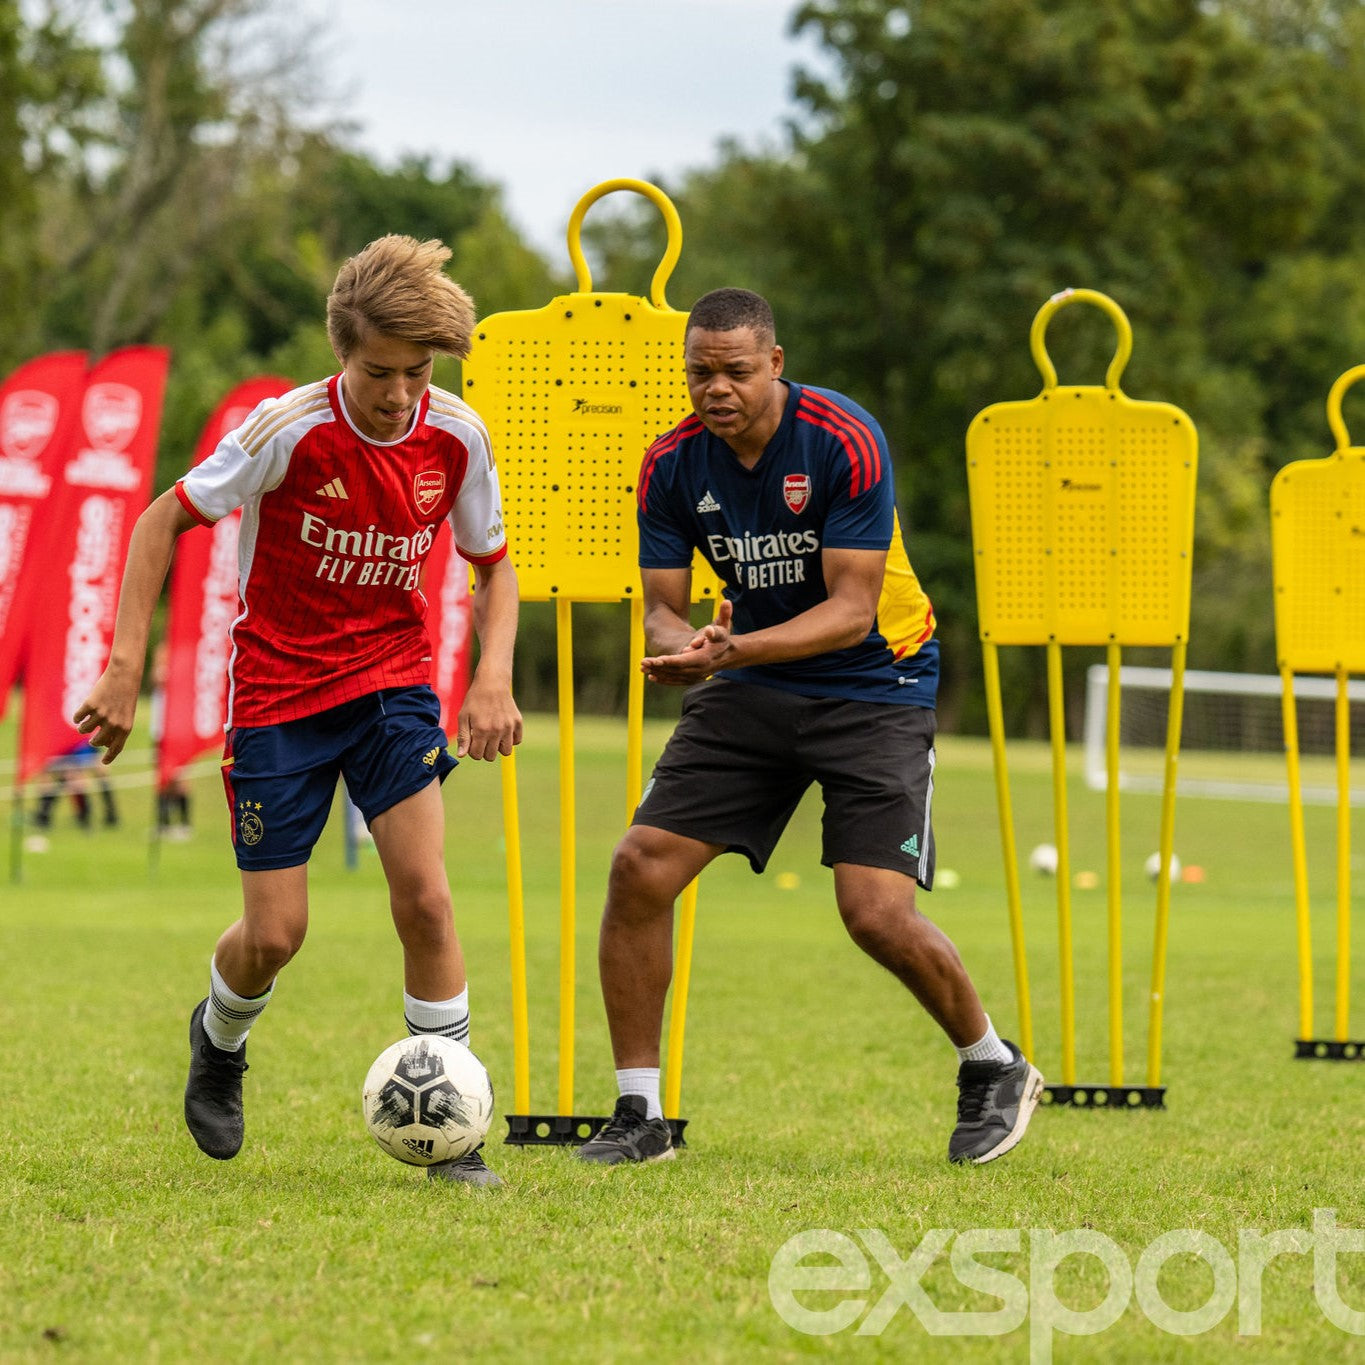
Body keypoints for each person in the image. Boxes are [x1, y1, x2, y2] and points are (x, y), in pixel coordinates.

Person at [75, 235, 523, 1187]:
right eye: (378, 372)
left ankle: (455, 1126)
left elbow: (493, 566)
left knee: (429, 898)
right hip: (278, 696)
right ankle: (219, 1038)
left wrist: (493, 677)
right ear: (341, 353)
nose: (400, 393)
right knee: (276, 933)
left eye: (417, 371)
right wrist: (124, 668)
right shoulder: (286, 430)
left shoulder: (458, 435)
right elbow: (161, 518)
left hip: (393, 687)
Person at [575, 288, 1042, 1168]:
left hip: (876, 680)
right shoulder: (670, 465)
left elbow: (850, 612)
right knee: (639, 867)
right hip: (750, 680)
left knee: (873, 914)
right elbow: (663, 612)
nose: (715, 388)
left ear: (775, 364)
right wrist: (686, 647)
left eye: (736, 371)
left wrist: (729, 648)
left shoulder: (842, 438)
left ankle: (992, 1064)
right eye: (698, 371)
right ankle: (639, 1114)